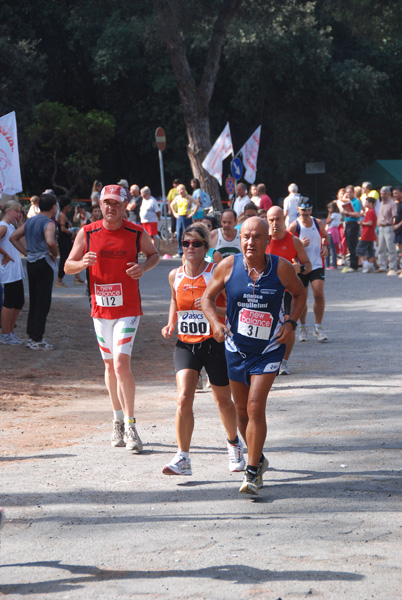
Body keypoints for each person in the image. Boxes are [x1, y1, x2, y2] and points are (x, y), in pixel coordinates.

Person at [201, 217, 306, 495]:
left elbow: (299, 293)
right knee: (241, 411)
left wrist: (291, 323)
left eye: (257, 237)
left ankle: (251, 474)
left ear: (267, 241)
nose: (250, 242)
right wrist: (216, 324)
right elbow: (206, 298)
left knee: (255, 406)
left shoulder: (281, 268)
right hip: (236, 347)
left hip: (268, 349)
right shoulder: (228, 266)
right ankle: (257, 458)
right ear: (239, 239)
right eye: (246, 237)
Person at [65, 185, 159, 451]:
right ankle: (117, 419)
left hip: (127, 309)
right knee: (109, 367)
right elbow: (67, 265)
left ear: (125, 206)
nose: (110, 207)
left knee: (120, 364)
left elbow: (153, 255)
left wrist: (143, 267)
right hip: (100, 311)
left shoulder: (136, 232)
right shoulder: (88, 232)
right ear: (100, 204)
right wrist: (83, 263)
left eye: (116, 203)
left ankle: (130, 425)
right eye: (106, 202)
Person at [161, 224, 244, 476]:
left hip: (214, 342)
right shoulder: (175, 275)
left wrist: (209, 308)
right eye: (186, 243)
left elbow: (233, 308)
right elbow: (175, 299)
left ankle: (234, 444)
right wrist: (171, 322)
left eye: (196, 244)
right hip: (186, 343)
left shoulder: (215, 272)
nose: (190, 248)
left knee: (222, 401)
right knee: (184, 397)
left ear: (206, 247)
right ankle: (182, 457)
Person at [266, 206, 312, 375]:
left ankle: (283, 362)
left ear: (283, 219)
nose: (274, 223)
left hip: (286, 290)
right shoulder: (263, 239)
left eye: (278, 219)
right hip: (265, 289)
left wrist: (298, 268)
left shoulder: (293, 240)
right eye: (271, 220)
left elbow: (308, 266)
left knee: (288, 323)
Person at [10, 193, 58, 350]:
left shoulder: (30, 221)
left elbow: (14, 237)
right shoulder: (49, 223)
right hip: (44, 262)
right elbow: (50, 241)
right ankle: (37, 339)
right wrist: (55, 253)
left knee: (35, 298)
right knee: (43, 301)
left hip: (31, 262)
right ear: (53, 207)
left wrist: (25, 251)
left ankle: (32, 336)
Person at [288, 197, 330, 343]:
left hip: (317, 264)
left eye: (308, 210)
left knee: (318, 293)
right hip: (302, 266)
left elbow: (325, 236)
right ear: (298, 210)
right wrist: (298, 244)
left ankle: (318, 327)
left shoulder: (318, 223)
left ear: (311, 210)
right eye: (303, 210)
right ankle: (303, 326)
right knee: (302, 297)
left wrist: (325, 246)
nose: (305, 213)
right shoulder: (294, 226)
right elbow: (285, 243)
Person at [0, 199, 25, 345]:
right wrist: (5, 254)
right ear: (9, 211)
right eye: (17, 211)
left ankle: (10, 331)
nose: (19, 214)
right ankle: (5, 334)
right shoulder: (3, 226)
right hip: (8, 270)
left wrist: (20, 224)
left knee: (18, 301)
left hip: (15, 270)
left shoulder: (10, 227)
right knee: (9, 302)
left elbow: (23, 246)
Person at [55, 197, 84, 287]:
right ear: (65, 206)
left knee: (72, 256)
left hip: (66, 239)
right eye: (69, 206)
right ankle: (59, 279)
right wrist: (70, 232)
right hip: (63, 239)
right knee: (64, 259)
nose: (70, 207)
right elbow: (62, 228)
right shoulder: (62, 215)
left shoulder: (63, 215)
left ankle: (77, 276)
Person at [339, 184, 362, 273]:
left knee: (353, 244)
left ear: (353, 192)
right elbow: (342, 198)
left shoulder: (356, 201)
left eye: (350, 192)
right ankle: (352, 264)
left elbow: (357, 214)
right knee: (349, 244)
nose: (348, 194)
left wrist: (347, 212)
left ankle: (354, 265)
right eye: (347, 192)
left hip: (353, 223)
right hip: (347, 223)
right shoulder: (348, 202)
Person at [170, 184, 197, 257]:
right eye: (179, 190)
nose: (181, 191)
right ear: (178, 191)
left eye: (182, 189)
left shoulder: (189, 197)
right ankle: (180, 251)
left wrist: (192, 213)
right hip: (180, 217)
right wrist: (175, 213)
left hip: (187, 217)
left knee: (188, 234)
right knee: (179, 234)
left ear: (185, 190)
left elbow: (197, 204)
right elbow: (171, 205)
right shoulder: (177, 198)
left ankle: (189, 250)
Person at [376, 186, 398, 275]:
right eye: (381, 194)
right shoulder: (381, 203)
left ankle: (392, 267)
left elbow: (394, 216)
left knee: (391, 248)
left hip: (388, 227)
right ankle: (382, 266)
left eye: (384, 194)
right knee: (381, 248)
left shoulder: (391, 203)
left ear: (389, 194)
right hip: (381, 227)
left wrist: (394, 225)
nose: (382, 196)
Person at [357, 197, 377, 273]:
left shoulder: (370, 212)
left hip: (367, 233)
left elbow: (370, 223)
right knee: (370, 250)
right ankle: (371, 265)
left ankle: (366, 264)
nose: (365, 203)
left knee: (360, 249)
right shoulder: (372, 211)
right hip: (371, 234)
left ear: (371, 203)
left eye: (367, 202)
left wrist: (362, 223)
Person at [325, 201, 341, 270]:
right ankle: (333, 264)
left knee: (330, 248)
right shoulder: (338, 214)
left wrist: (329, 214)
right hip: (335, 230)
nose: (329, 210)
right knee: (333, 248)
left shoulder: (333, 215)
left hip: (330, 231)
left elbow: (328, 221)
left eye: (329, 208)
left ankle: (330, 264)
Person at [392, 186, 402, 277]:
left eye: (396, 193)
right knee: (400, 249)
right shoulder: (397, 204)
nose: (394, 195)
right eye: (393, 193)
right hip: (398, 230)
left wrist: (398, 225)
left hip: (400, 228)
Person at [167, 178, 181, 242]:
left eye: (175, 184)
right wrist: (169, 209)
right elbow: (169, 201)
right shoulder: (172, 191)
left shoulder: (182, 190)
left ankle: (181, 237)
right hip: (174, 210)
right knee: (173, 224)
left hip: (181, 210)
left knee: (180, 224)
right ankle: (172, 237)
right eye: (174, 184)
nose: (174, 185)